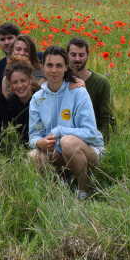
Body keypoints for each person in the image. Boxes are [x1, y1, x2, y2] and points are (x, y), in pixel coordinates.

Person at [28, 46, 104, 200]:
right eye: (49, 65)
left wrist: (59, 131)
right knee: (33, 155)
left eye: (59, 65)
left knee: (67, 142)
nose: (54, 70)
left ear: (66, 68)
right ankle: (55, 192)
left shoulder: (79, 92)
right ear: (42, 67)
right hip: (55, 152)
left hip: (87, 150)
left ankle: (84, 190)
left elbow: (91, 133)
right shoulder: (37, 98)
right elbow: (33, 136)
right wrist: (40, 142)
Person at [67, 37, 116, 140]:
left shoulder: (101, 82)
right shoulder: (60, 80)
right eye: (73, 54)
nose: (77, 59)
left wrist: (103, 142)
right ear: (67, 55)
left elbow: (105, 116)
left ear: (88, 56)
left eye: (81, 55)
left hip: (91, 135)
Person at [2, 62, 35, 142]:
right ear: (10, 84)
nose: (20, 86)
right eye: (15, 82)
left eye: (23, 80)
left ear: (30, 80)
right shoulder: (9, 104)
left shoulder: (40, 100)